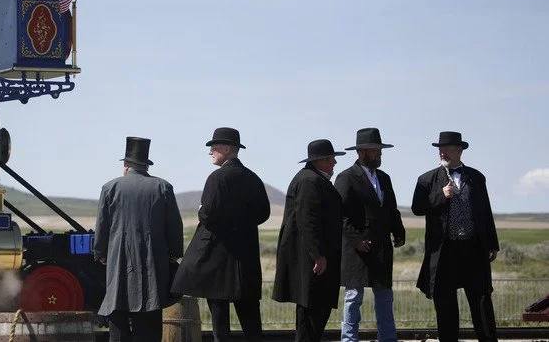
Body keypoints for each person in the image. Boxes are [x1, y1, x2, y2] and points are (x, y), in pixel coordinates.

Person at [172, 127, 270, 341]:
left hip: (218, 259)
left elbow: (207, 214)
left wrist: (200, 211)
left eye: (214, 148)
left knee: (220, 323)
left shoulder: (217, 178)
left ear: (227, 149)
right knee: (251, 320)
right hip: (245, 258)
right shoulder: (253, 178)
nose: (210, 152)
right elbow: (264, 214)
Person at [94, 136, 184, 342]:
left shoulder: (110, 188)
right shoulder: (163, 187)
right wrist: (174, 255)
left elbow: (102, 227)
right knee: (150, 316)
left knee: (117, 314)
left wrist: (101, 254)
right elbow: (174, 227)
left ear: (126, 165)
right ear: (145, 165)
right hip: (152, 263)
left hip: (119, 263)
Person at [412, 131, 499, 342]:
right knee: (445, 305)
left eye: (447, 148)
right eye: (440, 149)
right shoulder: (426, 180)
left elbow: (485, 212)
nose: (442, 152)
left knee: (481, 301)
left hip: (473, 249)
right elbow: (417, 208)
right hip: (444, 252)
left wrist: (492, 244)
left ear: (459, 150)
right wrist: (440, 196)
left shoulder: (476, 178)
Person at [334, 128, 405, 342]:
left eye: (380, 150)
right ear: (362, 152)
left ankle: (388, 339)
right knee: (353, 298)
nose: (380, 154)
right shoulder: (346, 178)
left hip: (381, 248)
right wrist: (356, 240)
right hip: (357, 250)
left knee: (385, 298)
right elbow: (339, 215)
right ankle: (349, 340)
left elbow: (391, 209)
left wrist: (399, 231)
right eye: (376, 150)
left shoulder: (384, 178)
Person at [273, 139, 345, 342]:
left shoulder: (313, 179)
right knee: (311, 316)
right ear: (321, 160)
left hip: (314, 261)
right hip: (311, 264)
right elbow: (308, 221)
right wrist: (318, 254)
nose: (334, 163)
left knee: (314, 316)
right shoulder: (309, 181)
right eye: (331, 159)